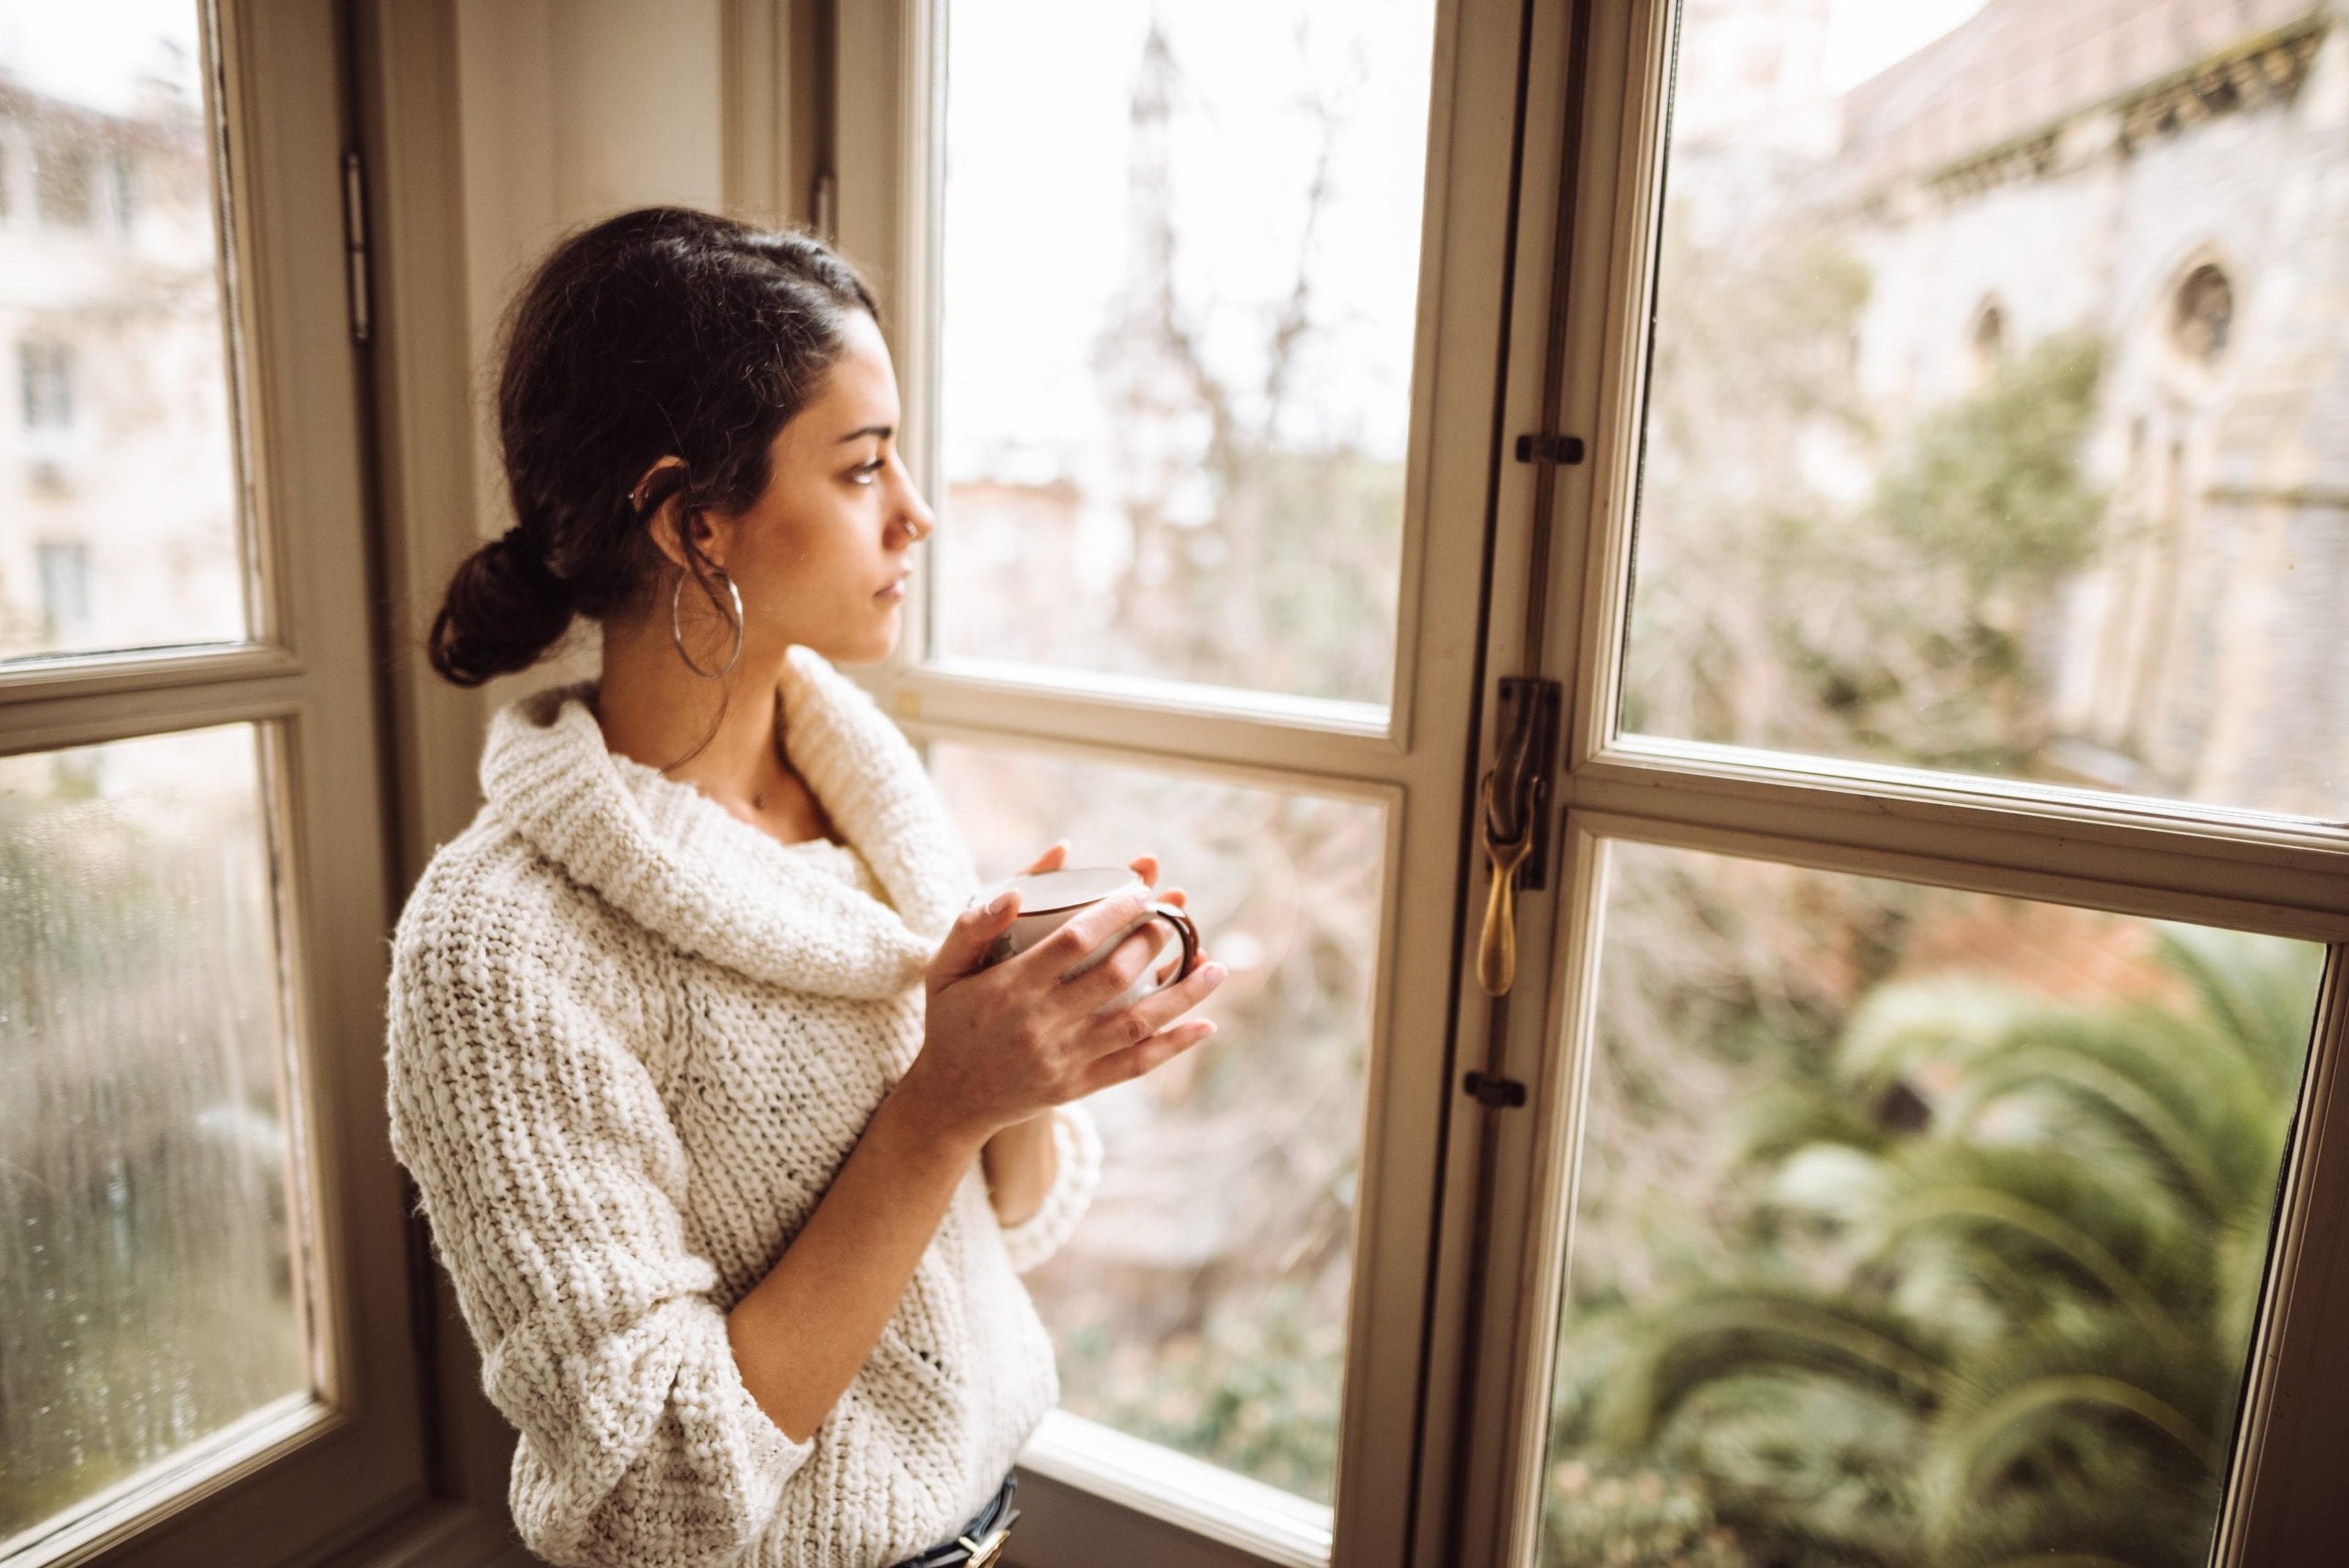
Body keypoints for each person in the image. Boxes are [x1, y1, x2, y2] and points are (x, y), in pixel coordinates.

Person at [383, 205, 1228, 1568]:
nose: (919, 512)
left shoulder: (865, 792)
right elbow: (649, 1495)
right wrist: (939, 1103)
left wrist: (1025, 1039)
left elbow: (991, 1218)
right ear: (694, 520)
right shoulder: (498, 951)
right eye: (861, 469)